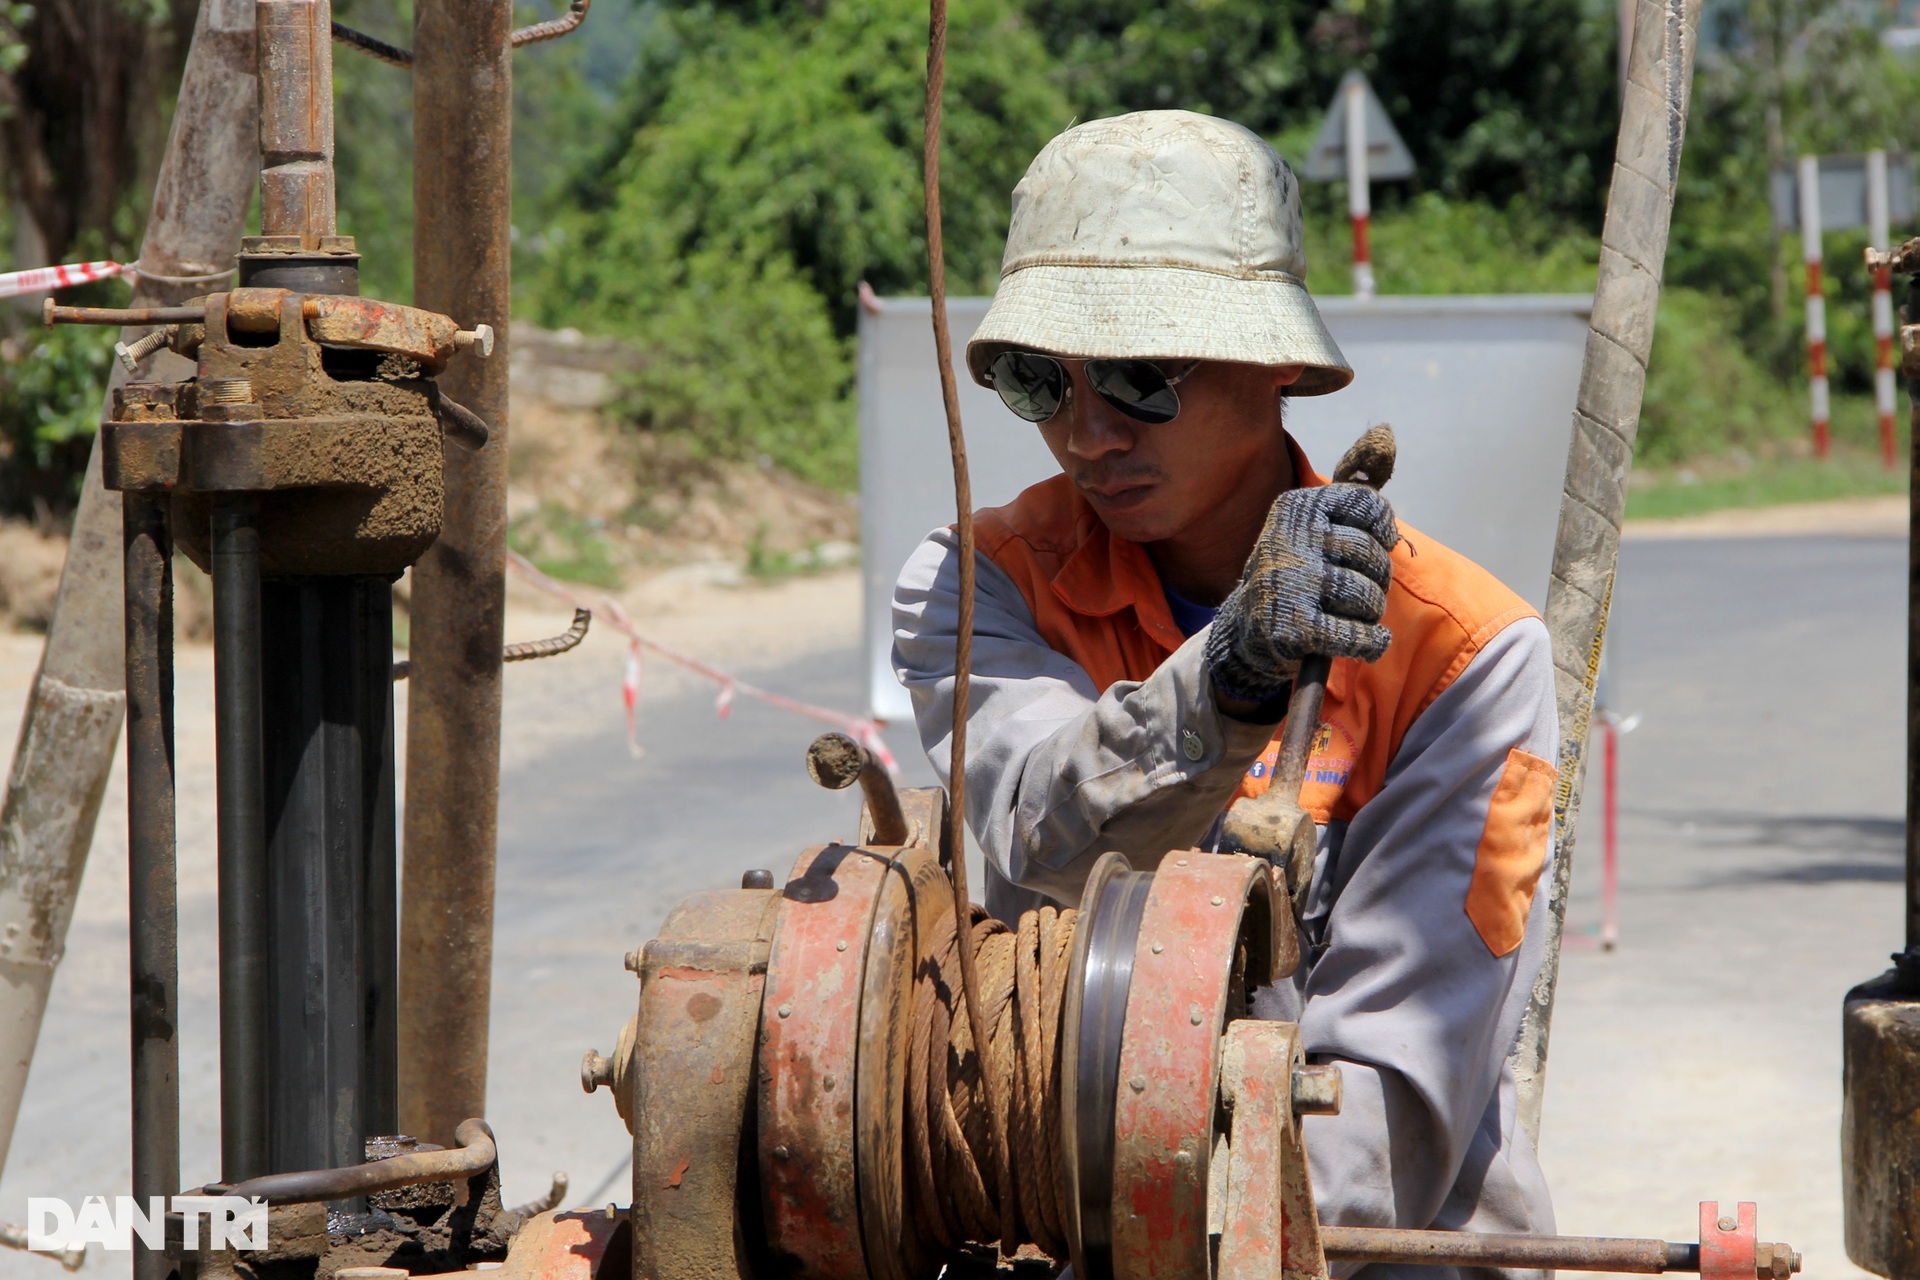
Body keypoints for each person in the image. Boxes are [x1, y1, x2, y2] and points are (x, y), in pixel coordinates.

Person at [892, 110, 1559, 1268]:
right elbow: (1037, 843)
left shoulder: (1463, 652)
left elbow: (1395, 1073)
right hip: (1047, 1219)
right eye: (1043, 382)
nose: (1086, 435)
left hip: (1351, 1242)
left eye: (1143, 379)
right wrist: (1228, 679)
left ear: (1280, 367)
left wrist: (1215, 1244)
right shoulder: (974, 583)